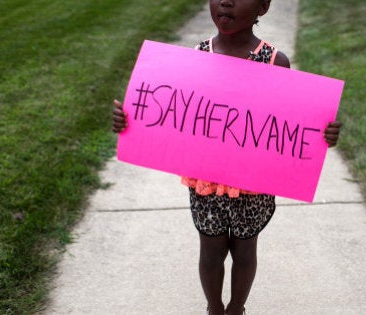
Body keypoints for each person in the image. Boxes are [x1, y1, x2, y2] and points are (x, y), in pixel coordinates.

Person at [112, 0, 341, 314]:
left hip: (253, 184)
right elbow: (174, 112)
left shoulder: (274, 61)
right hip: (208, 180)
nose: (227, 1)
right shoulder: (198, 56)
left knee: (245, 251)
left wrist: (322, 135)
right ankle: (214, 308)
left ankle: (236, 308)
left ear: (262, 6)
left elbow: (290, 123)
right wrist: (131, 122)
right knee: (211, 251)